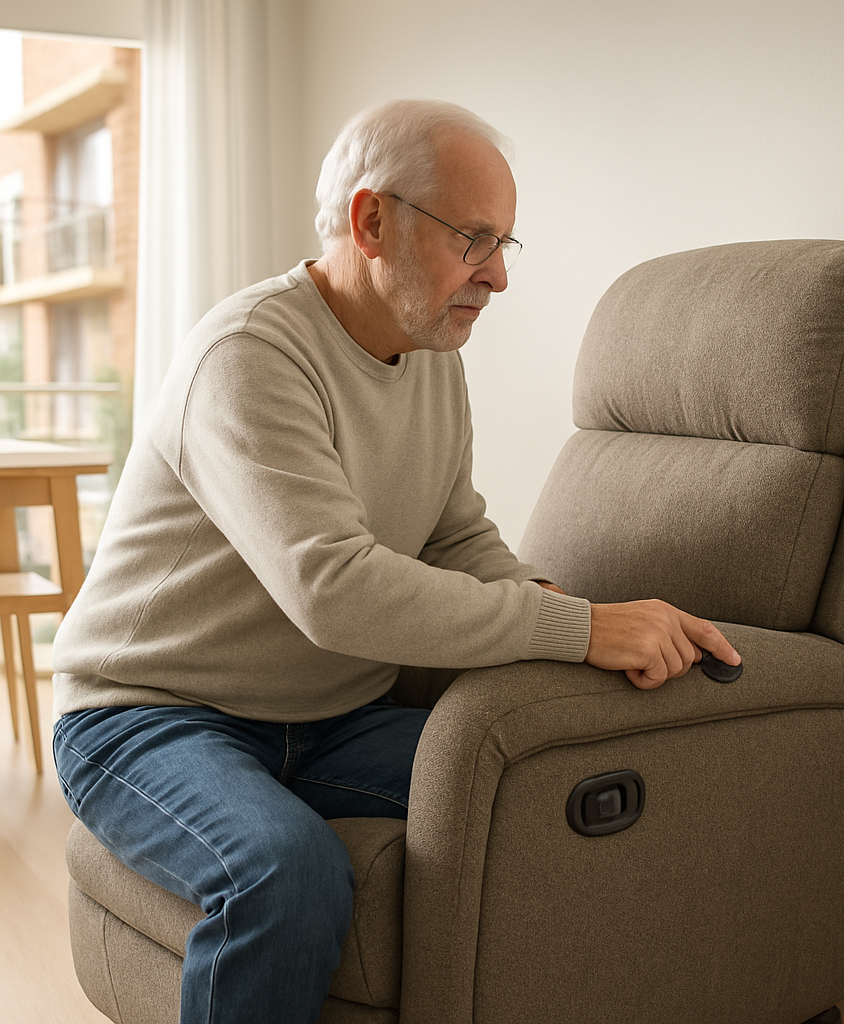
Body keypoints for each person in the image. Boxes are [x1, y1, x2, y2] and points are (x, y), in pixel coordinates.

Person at [51, 99, 741, 1024]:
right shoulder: (248, 356)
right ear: (373, 222)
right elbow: (331, 589)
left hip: (332, 717)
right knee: (287, 871)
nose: (497, 275)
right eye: (474, 239)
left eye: (506, 244)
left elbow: (454, 536)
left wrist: (578, 617)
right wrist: (578, 630)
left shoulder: (430, 357)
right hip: (152, 718)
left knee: (553, 769)